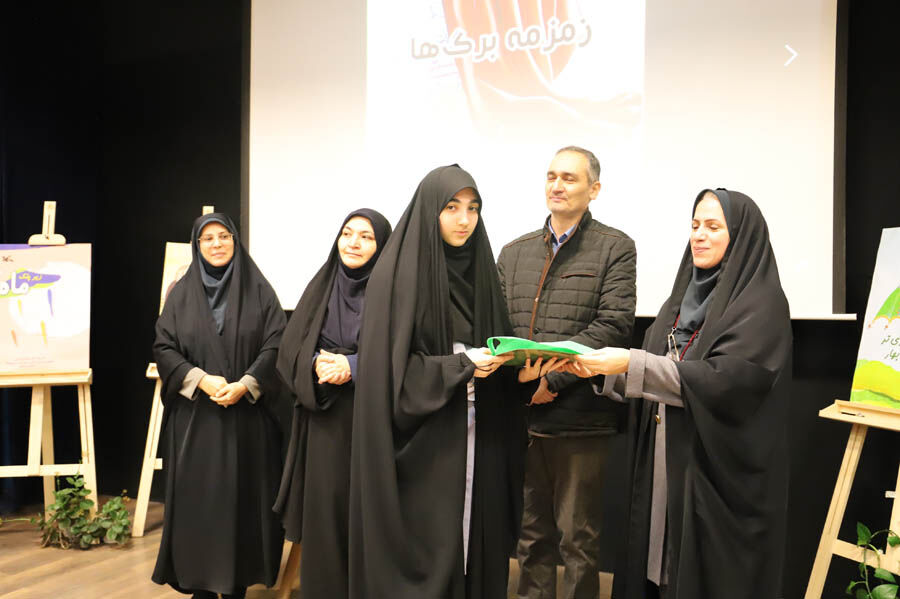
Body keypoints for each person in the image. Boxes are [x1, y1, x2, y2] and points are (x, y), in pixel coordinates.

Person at [568, 189, 792, 599]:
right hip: (665, 464)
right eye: (695, 225)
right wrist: (598, 372)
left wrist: (630, 363)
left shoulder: (761, 306)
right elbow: (655, 370)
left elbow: (726, 381)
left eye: (713, 226)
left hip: (716, 477)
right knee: (659, 571)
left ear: (741, 237)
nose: (699, 236)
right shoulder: (679, 301)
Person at [349, 164, 530, 598]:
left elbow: (494, 348)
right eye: (451, 208)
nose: (464, 219)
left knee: (471, 546)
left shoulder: (482, 274)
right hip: (422, 445)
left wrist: (519, 369)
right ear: (431, 209)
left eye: (473, 208)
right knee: (431, 546)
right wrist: (461, 365)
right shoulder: (396, 276)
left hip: (477, 437)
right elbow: (387, 373)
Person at [496, 146, 636, 598]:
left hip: (580, 417)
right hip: (522, 415)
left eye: (569, 178)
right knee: (530, 538)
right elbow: (498, 329)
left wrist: (551, 381)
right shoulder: (513, 252)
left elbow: (612, 325)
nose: (557, 185)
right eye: (551, 176)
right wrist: (521, 385)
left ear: (594, 189)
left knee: (578, 540)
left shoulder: (615, 247)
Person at [152, 213, 286, 599]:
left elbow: (277, 343)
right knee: (201, 507)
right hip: (196, 422)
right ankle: (201, 585)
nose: (216, 244)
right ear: (197, 246)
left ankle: (236, 586)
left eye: (223, 236)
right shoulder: (180, 293)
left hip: (247, 423)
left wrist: (246, 384)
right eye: (207, 238)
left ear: (235, 240)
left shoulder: (259, 290)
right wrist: (200, 379)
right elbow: (164, 346)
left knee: (241, 508)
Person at [273, 208, 392, 598]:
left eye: (366, 237)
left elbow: (403, 355)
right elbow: (289, 348)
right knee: (325, 517)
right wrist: (316, 364)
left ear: (383, 246)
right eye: (347, 233)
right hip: (323, 420)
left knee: (366, 518)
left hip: (371, 421)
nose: (353, 243)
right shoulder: (322, 284)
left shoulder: (391, 293)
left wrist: (353, 366)